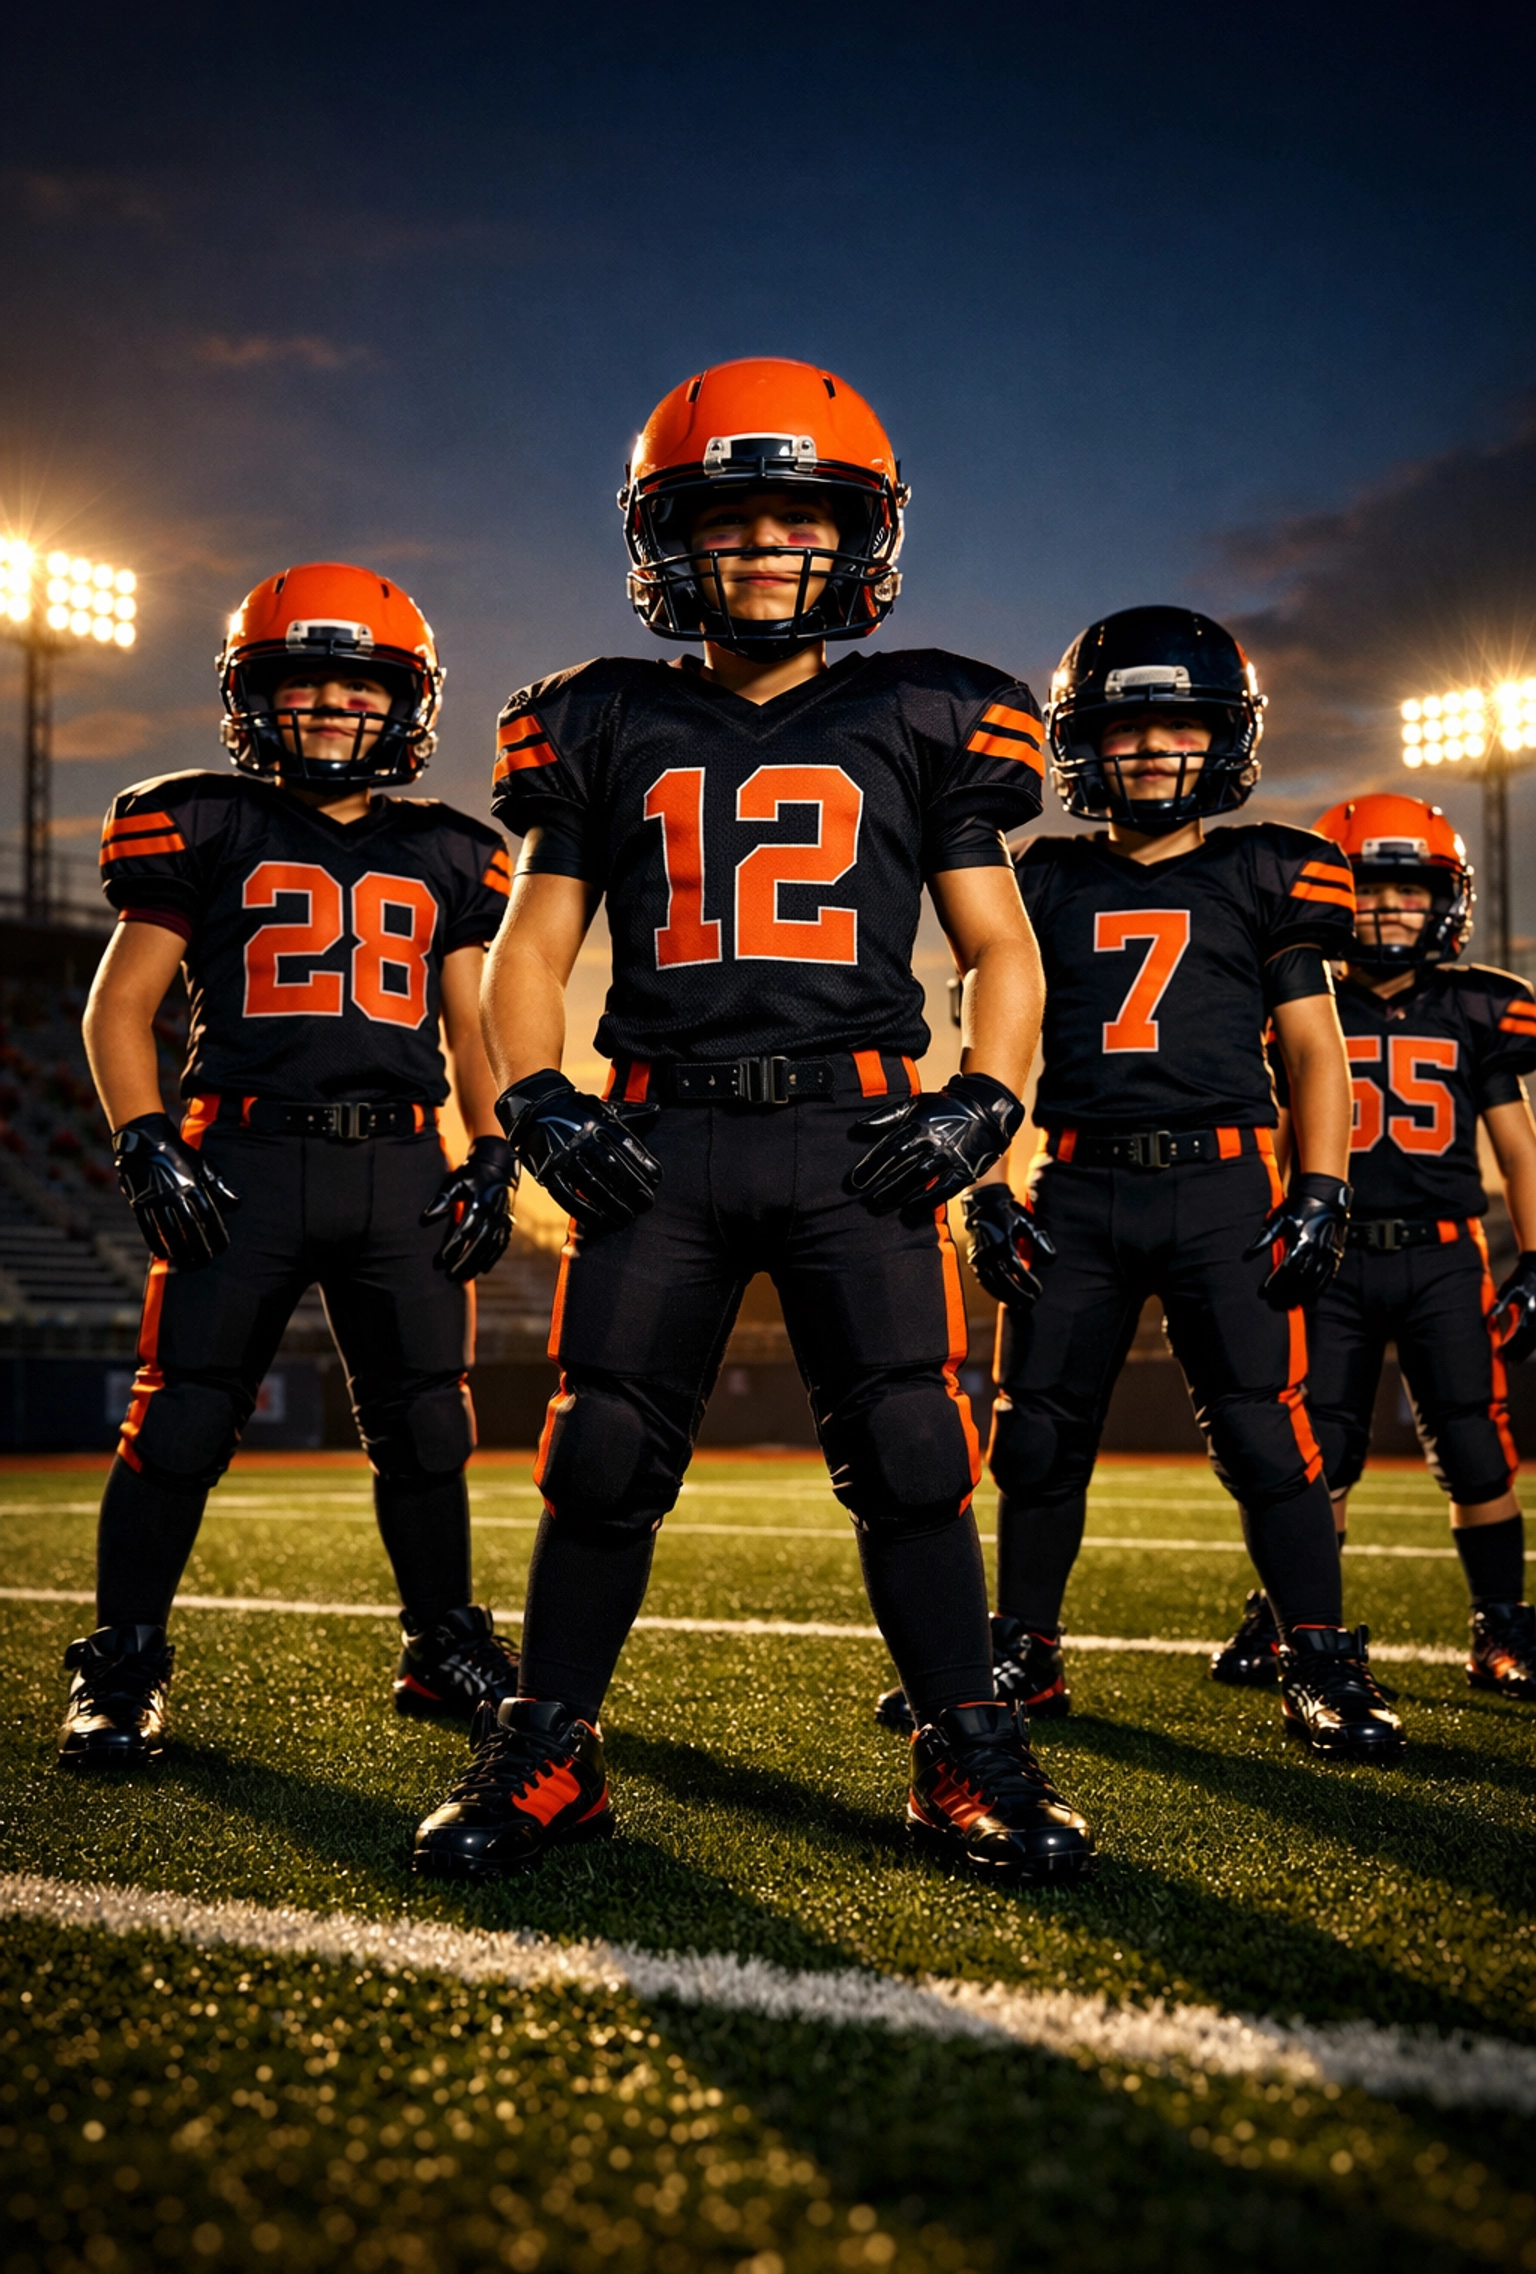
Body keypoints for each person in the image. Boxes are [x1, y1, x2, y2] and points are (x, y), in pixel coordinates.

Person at [411, 356, 1098, 1883]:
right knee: (596, 1454)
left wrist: (986, 1096)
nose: (769, 554)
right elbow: (531, 948)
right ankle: (551, 1746)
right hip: (657, 1136)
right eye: (734, 524)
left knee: (918, 1447)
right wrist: (532, 1097)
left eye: (801, 523)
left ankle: (963, 1748)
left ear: (858, 539)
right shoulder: (599, 722)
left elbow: (1001, 946)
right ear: (673, 542)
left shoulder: (928, 716)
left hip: (860, 1133)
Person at [58, 562, 522, 1768]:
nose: (329, 708)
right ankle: (121, 1664)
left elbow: (472, 1029)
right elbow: (123, 1005)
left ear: (404, 704)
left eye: (357, 686)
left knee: (426, 1424)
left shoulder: (454, 853)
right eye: (302, 682)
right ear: (251, 696)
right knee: (182, 1421)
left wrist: (494, 1155)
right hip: (243, 1152)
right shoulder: (199, 819)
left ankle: (440, 1641)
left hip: (403, 1164)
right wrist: (145, 1133)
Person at [932, 604, 1406, 1765]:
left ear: (1225, 737)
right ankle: (1023, 1651)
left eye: (1178, 725)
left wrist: (1323, 1187)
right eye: (1125, 726)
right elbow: (999, 1045)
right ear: (1082, 742)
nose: (1149, 750)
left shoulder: (1268, 871)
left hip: (1226, 1187)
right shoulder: (1037, 879)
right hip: (1078, 1185)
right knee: (1038, 1437)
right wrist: (985, 1188)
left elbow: (1312, 1049)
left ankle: (1318, 1656)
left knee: (1264, 1436)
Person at [1210, 794, 1536, 1700]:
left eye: (1410, 890)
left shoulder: (1480, 1007)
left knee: (1475, 1439)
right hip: (1334, 1253)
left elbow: (1519, 1145)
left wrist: (1535, 1258)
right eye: (1371, 889)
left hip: (1444, 1253)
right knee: (1322, 1444)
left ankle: (1503, 1626)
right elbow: (1280, 1120)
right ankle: (1293, 1623)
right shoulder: (1301, 998)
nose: (1390, 908)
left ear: (1447, 901)